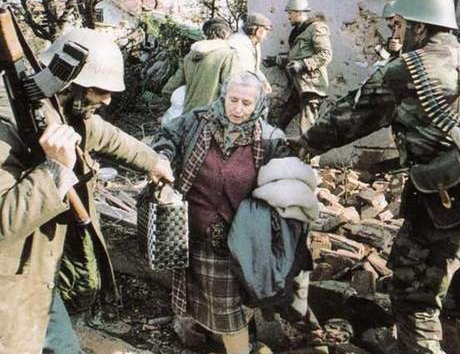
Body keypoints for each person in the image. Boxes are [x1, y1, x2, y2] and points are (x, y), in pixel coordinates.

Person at [292, 0, 460, 353]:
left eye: (398, 25)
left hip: (445, 199)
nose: (395, 33)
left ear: (419, 27)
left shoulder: (405, 70)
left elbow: (349, 119)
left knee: (415, 301)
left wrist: (304, 145)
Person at [0, 28, 174, 354]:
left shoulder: (57, 108)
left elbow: (103, 134)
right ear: (69, 84)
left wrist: (153, 161)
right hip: (9, 286)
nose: (108, 100)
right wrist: (54, 170)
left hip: (40, 276)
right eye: (101, 91)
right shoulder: (7, 123)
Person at [153, 72, 299, 354]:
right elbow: (167, 135)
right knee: (205, 300)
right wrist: (162, 157)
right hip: (191, 232)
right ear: (223, 97)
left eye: (246, 103)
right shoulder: (197, 121)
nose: (238, 109)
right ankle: (219, 343)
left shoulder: (270, 139)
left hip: (237, 242)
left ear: (258, 104)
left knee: (229, 310)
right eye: (233, 100)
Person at [272, 0, 332, 135]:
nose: (288, 17)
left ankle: (310, 150)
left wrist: (302, 65)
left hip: (311, 87)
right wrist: (276, 60)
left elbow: (325, 54)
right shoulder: (298, 31)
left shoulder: (316, 27)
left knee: (307, 130)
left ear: (299, 12)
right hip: (298, 86)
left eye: (290, 13)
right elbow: (296, 57)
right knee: (280, 123)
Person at [162, 18, 237, 114]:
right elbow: (230, 86)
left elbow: (175, 81)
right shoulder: (227, 55)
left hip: (187, 112)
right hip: (210, 114)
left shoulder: (190, 55)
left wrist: (165, 97)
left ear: (206, 33)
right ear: (226, 33)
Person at [228, 12, 273, 94]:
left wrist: (264, 81)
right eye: (266, 31)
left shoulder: (254, 42)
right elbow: (242, 72)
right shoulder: (237, 43)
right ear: (259, 31)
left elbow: (254, 68)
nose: (266, 37)